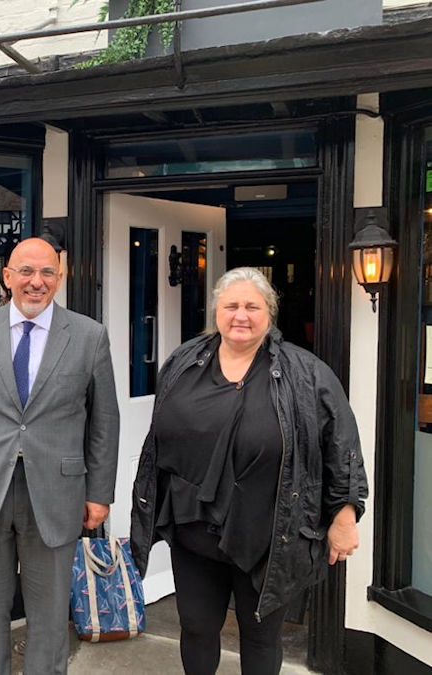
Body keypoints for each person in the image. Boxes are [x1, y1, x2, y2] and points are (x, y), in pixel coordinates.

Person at [131, 267, 368, 675]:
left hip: (269, 535)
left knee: (259, 636)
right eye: (232, 305)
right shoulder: (184, 361)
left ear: (269, 313)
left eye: (252, 306)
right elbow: (157, 439)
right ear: (217, 312)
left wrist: (345, 513)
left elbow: (342, 445)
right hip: (193, 529)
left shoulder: (306, 373)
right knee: (197, 628)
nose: (241, 315)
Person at [0, 237, 120, 675]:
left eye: (47, 273)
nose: (36, 282)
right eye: (26, 272)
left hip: (56, 494)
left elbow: (104, 422)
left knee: (50, 615)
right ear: (7, 277)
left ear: (60, 279)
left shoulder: (90, 335)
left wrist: (100, 493)